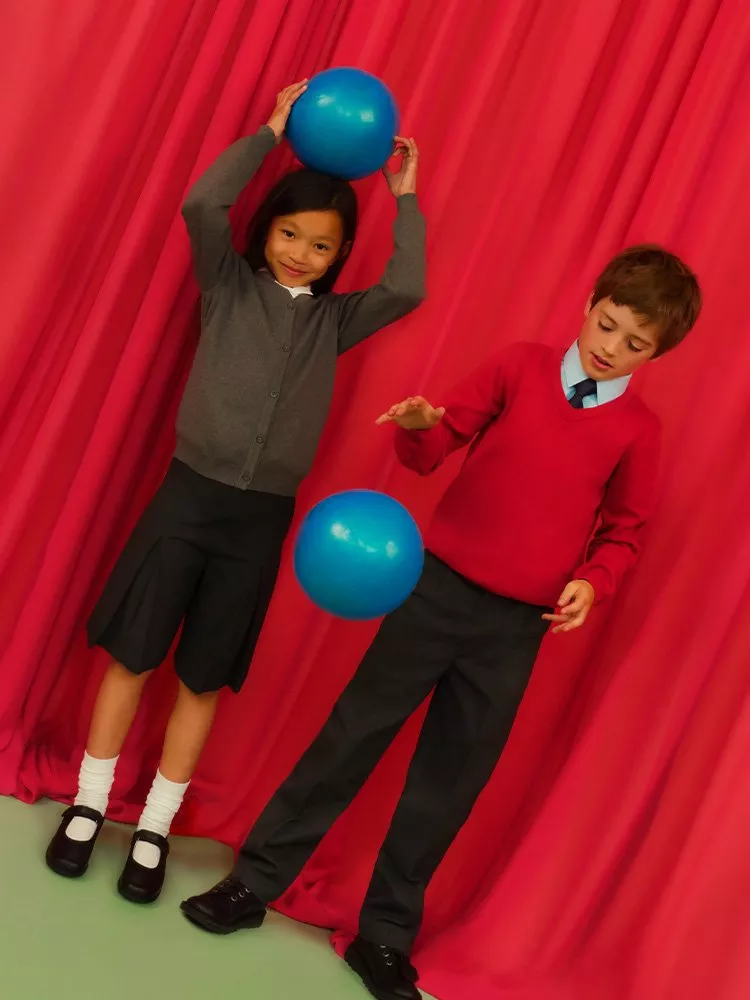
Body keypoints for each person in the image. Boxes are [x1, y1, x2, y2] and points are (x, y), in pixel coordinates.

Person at [180, 245, 701, 1000]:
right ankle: (255, 883)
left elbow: (625, 530)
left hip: (515, 629)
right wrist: (423, 424)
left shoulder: (638, 433)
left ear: (657, 353)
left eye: (633, 344)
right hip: (434, 591)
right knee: (350, 738)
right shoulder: (518, 367)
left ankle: (385, 935)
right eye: (607, 323)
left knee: (448, 783)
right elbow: (430, 449)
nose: (609, 346)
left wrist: (594, 581)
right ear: (590, 300)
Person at [44, 80, 425, 905]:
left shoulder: (335, 321)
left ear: (337, 258)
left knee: (204, 676)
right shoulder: (228, 284)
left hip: (258, 523)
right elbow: (201, 204)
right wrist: (271, 132)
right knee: (133, 655)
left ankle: (155, 823)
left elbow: (409, 290)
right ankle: (87, 804)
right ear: (267, 232)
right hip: (186, 499)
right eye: (290, 234)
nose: (300, 253)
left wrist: (407, 198)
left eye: (321, 247)